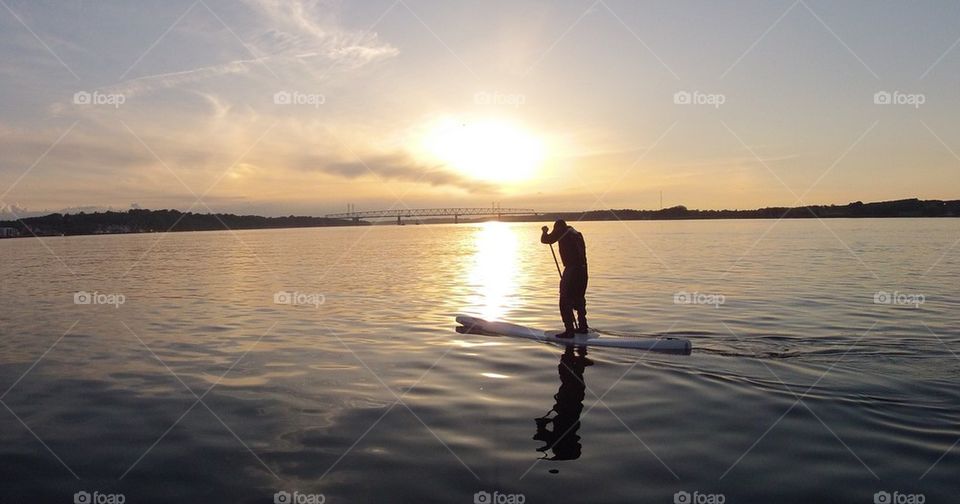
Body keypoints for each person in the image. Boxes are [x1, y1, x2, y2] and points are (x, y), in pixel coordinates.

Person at [541, 219, 588, 338]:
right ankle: (583, 327)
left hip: (572, 270)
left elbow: (546, 240)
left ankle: (569, 331)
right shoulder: (577, 233)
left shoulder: (561, 231)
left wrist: (544, 232)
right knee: (579, 298)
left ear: (557, 228)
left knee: (565, 299)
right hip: (583, 270)